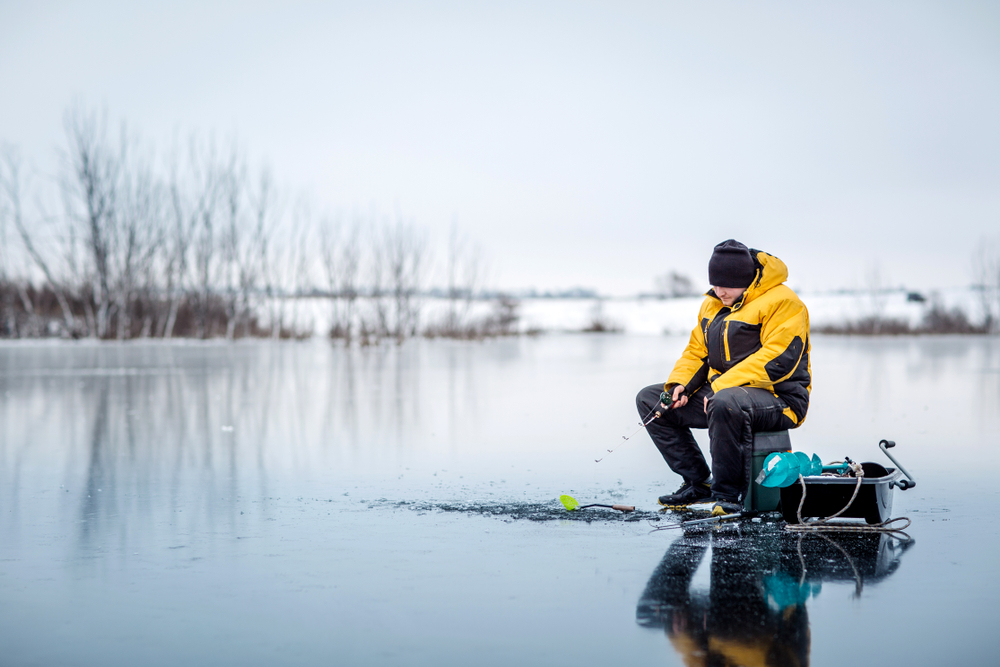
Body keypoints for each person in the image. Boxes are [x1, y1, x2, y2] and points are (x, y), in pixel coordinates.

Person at [636, 239, 811, 513]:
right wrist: (680, 385)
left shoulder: (784, 302)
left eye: (726, 285)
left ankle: (728, 496)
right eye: (715, 284)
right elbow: (697, 352)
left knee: (725, 401)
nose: (719, 291)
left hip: (781, 398)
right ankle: (698, 483)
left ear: (746, 279)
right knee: (651, 400)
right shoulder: (713, 304)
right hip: (724, 395)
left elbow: (779, 359)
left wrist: (721, 386)